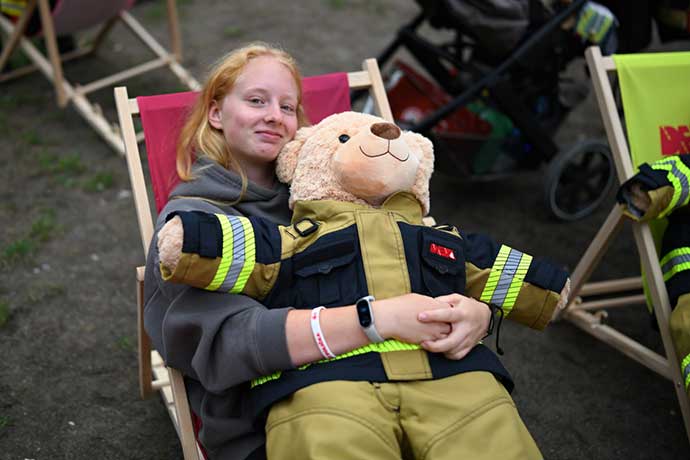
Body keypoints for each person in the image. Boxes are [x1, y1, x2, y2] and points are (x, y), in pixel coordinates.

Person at [143, 42, 538, 460]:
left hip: (420, 386)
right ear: (216, 113)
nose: (274, 115)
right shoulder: (195, 221)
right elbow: (232, 342)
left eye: (287, 106)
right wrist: (377, 319)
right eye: (256, 100)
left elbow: (414, 266)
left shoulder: (343, 190)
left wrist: (477, 314)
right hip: (280, 409)